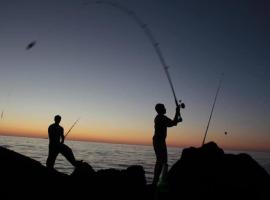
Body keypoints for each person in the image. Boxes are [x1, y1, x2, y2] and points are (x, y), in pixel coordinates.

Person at [152, 103, 182, 186]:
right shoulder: (161, 117)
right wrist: (177, 111)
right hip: (159, 141)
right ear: (161, 109)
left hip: (159, 141)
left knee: (161, 161)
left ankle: (158, 181)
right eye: (164, 107)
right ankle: (158, 182)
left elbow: (173, 123)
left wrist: (177, 120)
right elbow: (173, 123)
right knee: (161, 161)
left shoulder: (159, 118)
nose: (165, 108)